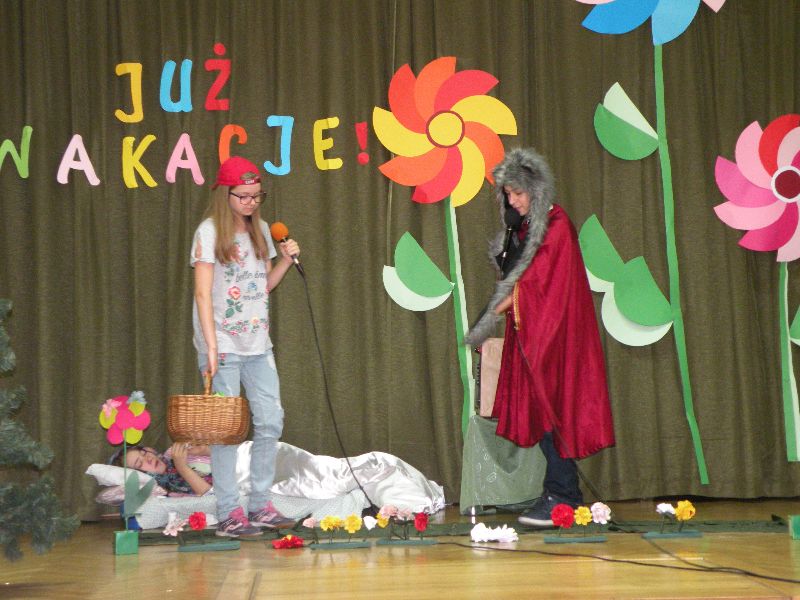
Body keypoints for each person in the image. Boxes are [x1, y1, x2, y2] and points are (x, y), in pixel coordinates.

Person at [465, 148, 615, 527]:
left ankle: (564, 496)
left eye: (517, 193)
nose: (513, 201)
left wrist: (492, 313)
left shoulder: (556, 227)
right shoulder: (525, 230)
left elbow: (541, 285)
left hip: (556, 339)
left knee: (553, 410)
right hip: (533, 336)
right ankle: (561, 492)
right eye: (508, 195)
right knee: (542, 412)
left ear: (535, 189)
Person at [190, 156, 299, 538]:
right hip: (222, 343)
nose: (251, 203)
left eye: (256, 196)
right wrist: (211, 346)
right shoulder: (208, 232)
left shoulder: (262, 230)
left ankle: (260, 504)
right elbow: (203, 294)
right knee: (226, 429)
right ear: (225, 194)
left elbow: (263, 285)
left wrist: (286, 261)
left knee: (270, 420)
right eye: (244, 196)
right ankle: (228, 512)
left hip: (257, 343)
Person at [110, 443, 213, 496]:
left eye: (144, 453)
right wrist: (182, 467)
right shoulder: (168, 492)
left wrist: (204, 450)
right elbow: (212, 497)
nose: (148, 458)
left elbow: (221, 453)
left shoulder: (173, 455)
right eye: (140, 463)